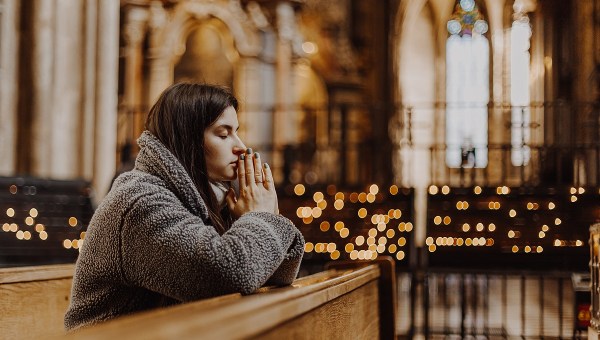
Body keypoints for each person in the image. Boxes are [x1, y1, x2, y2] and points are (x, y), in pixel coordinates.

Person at [64, 83, 305, 331]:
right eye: (223, 134)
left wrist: (268, 216)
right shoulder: (140, 202)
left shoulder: (209, 198)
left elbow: (279, 275)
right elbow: (230, 274)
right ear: (188, 138)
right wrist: (261, 217)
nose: (241, 147)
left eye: (237, 132)